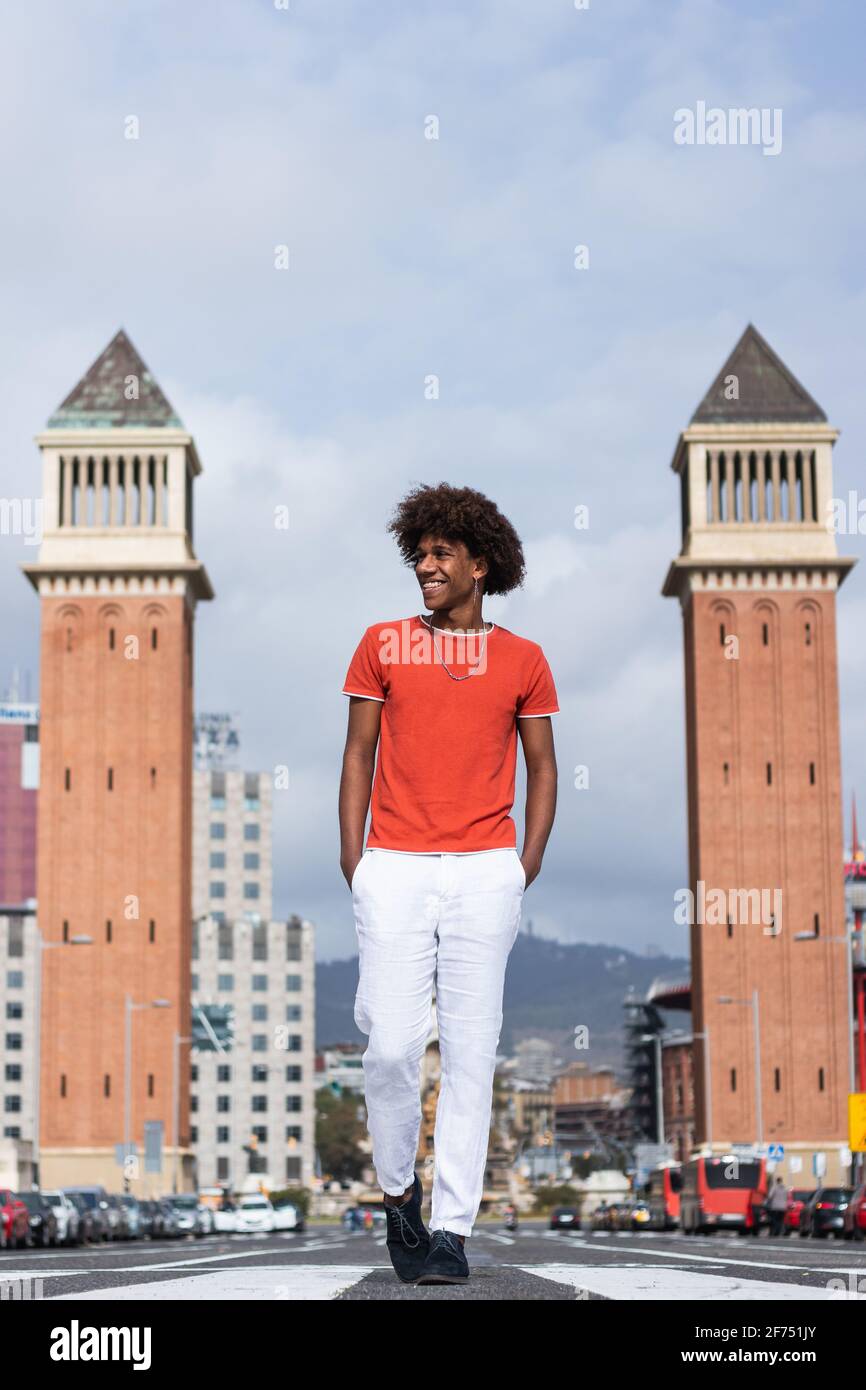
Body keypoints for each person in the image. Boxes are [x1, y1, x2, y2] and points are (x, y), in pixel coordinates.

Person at [339, 483, 559, 1285]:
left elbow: (543, 769)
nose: (426, 567)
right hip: (392, 867)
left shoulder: (524, 660)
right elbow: (357, 755)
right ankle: (400, 1192)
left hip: (485, 873)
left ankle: (452, 1233)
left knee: (472, 1056)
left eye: (440, 555)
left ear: (480, 564)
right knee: (392, 1048)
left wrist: (520, 865)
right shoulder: (382, 644)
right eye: (419, 554)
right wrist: (353, 862)